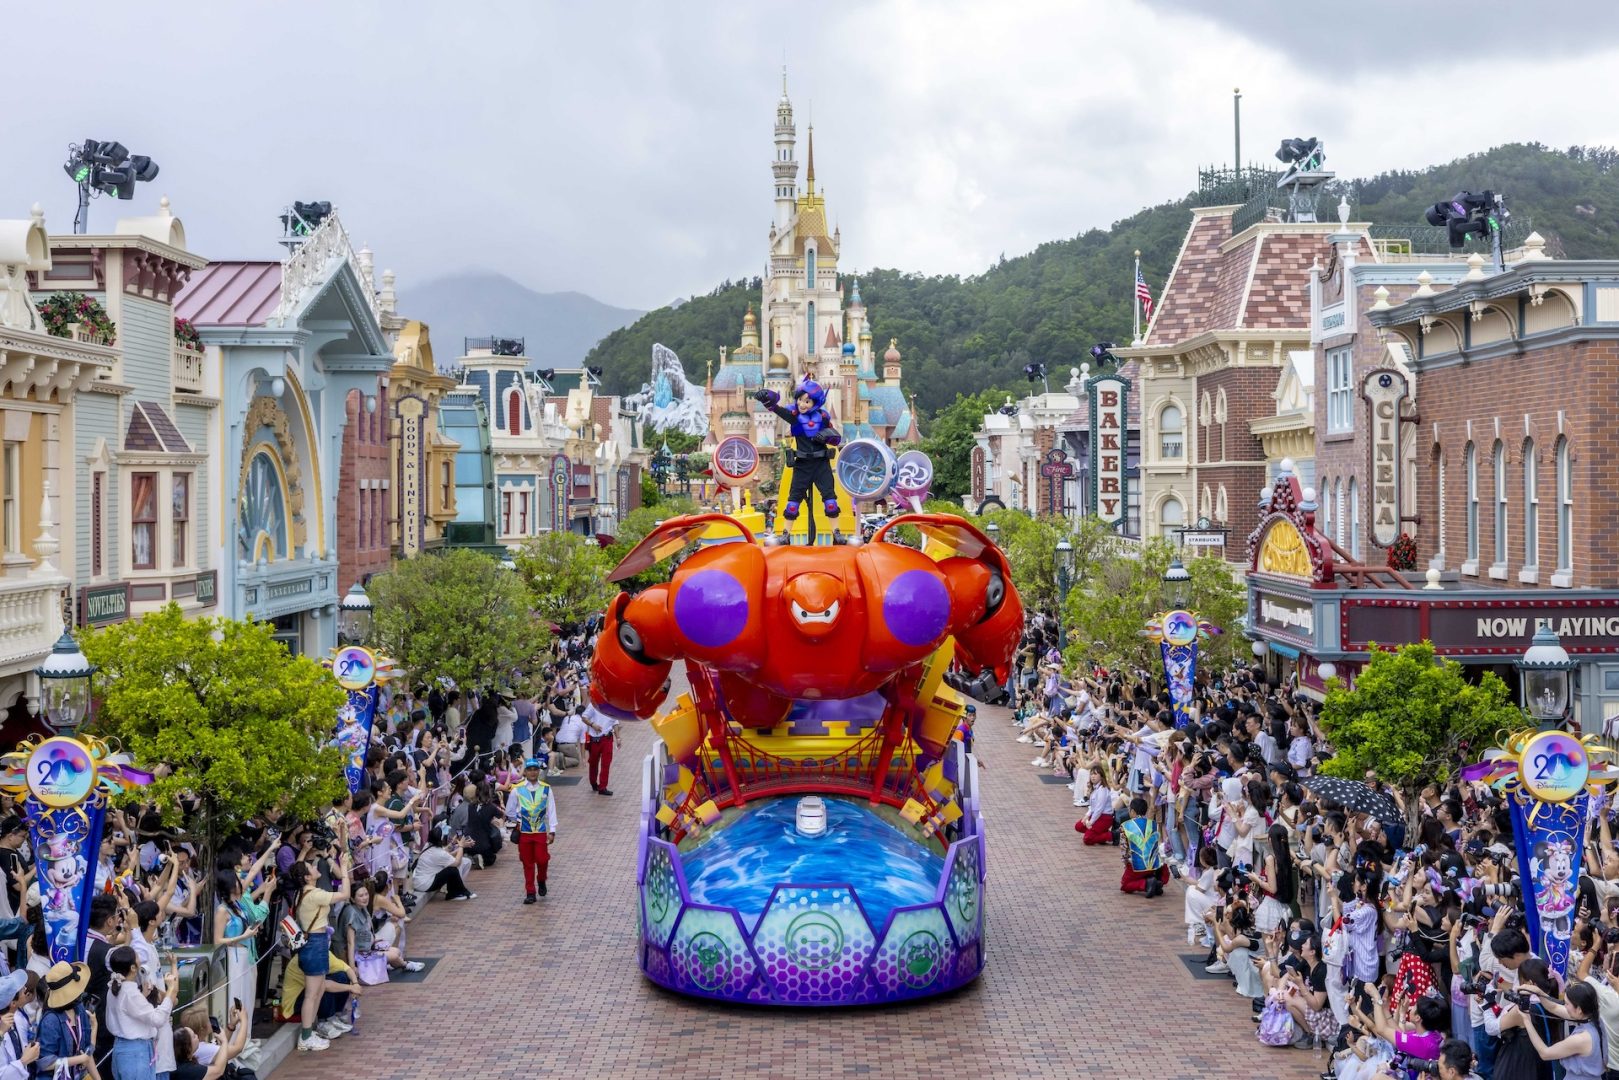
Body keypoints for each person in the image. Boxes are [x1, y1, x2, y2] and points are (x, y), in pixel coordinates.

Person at [289, 849, 352, 1053]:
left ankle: (310, 1032)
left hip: (315, 942)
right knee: (312, 994)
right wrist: (343, 869)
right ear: (307, 876)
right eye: (311, 868)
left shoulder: (303, 892)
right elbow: (345, 894)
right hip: (314, 943)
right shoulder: (314, 894)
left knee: (316, 992)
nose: (315, 868)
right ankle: (306, 1036)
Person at [753, 379, 842, 522]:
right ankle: (786, 535)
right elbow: (778, 410)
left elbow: (836, 439)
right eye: (800, 400)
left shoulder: (823, 418)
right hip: (802, 464)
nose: (802, 404)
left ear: (815, 403)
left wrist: (827, 435)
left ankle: (836, 533)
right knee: (792, 504)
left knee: (830, 502)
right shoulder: (795, 418)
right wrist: (768, 401)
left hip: (821, 463)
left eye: (807, 401)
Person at [105, 944, 177, 1080]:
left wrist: (143, 995)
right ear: (133, 968)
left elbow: (126, 1010)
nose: (140, 960)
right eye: (137, 957)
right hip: (136, 1053)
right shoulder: (130, 993)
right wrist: (170, 991)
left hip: (122, 1050)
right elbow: (158, 1019)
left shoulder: (114, 988)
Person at [1519, 980, 1604, 1079]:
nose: (1565, 1006)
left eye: (1567, 1004)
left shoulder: (1581, 1039)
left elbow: (1545, 1053)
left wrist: (1526, 1021)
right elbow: (1554, 1007)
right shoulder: (1593, 1018)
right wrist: (1539, 993)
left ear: (1579, 1009)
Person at [504, 758, 558, 904]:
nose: (533, 772)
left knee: (542, 859)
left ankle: (541, 879)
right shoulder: (517, 789)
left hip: (540, 831)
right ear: (525, 772)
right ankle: (530, 892)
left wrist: (552, 830)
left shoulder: (546, 788)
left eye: (535, 769)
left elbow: (551, 810)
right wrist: (518, 819)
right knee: (527, 863)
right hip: (525, 833)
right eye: (530, 770)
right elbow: (509, 810)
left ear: (538, 771)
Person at [37, 960, 95, 1080]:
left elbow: (87, 1051)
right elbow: (45, 1064)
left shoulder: (79, 1009)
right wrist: (80, 1059)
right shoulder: (50, 1021)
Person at [170, 1002, 248, 1080]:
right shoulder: (202, 1049)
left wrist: (231, 1026)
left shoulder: (194, 1046)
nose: (211, 1021)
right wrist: (244, 1020)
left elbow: (221, 1050)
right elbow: (237, 1048)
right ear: (202, 1029)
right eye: (208, 1020)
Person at [409, 826, 475, 902]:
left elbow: (445, 852)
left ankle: (457, 891)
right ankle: (455, 894)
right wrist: (461, 846)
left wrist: (453, 843)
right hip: (426, 884)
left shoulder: (427, 846)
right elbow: (457, 862)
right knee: (452, 870)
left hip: (419, 882)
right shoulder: (438, 852)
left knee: (451, 868)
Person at [1119, 796, 1168, 897]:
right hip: (1153, 864)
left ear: (1132, 811)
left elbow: (1124, 849)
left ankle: (1146, 884)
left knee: (1125, 885)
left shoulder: (1125, 826)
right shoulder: (1153, 824)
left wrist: (1126, 864)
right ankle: (1156, 882)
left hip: (1136, 865)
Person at [582, 703, 620, 796]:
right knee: (593, 763)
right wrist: (592, 724)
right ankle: (593, 783)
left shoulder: (613, 705)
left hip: (607, 738)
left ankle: (602, 787)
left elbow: (615, 723)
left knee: (606, 763)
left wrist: (618, 738)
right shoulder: (594, 705)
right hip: (595, 739)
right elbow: (584, 717)